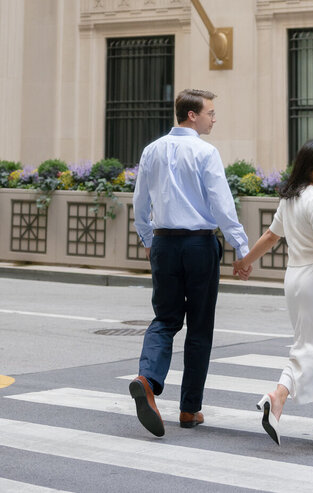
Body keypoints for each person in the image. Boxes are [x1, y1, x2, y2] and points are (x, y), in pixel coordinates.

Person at [129, 89, 250, 437]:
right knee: (199, 327)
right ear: (192, 116)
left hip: (165, 242)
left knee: (165, 319)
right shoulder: (205, 152)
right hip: (199, 244)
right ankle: (189, 409)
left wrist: (150, 240)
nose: (214, 118)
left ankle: (147, 379)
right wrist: (240, 246)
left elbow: (139, 203)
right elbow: (222, 204)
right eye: (210, 112)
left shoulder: (151, 150)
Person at [233, 139, 313, 447]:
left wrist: (245, 262)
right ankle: (278, 395)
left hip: (296, 278)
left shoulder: (291, 198)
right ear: (308, 166)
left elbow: (272, 236)